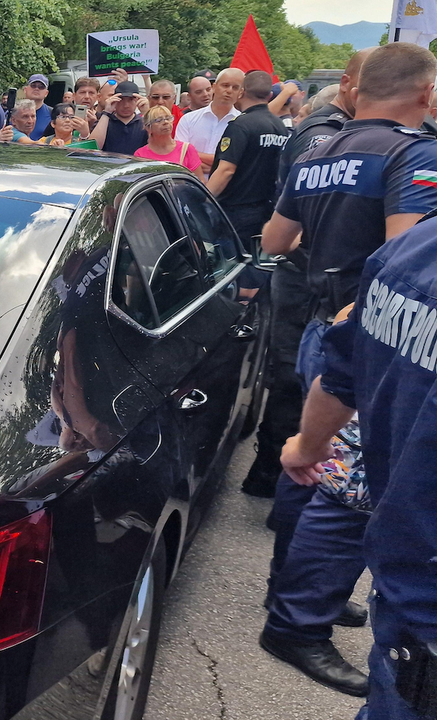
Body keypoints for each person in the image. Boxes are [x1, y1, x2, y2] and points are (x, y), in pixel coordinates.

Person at [259, 42, 437, 694]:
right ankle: (298, 618)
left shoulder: (317, 149)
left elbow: (274, 242)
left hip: (319, 323)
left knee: (310, 469)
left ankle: (296, 591)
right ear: (424, 93)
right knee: (345, 486)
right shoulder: (414, 153)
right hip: (371, 336)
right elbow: (406, 259)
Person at [278, 214, 437, 719]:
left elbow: (278, 238)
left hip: (408, 577)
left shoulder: (416, 242)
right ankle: (297, 621)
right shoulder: (405, 175)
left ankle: (299, 618)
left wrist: (308, 444)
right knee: (340, 496)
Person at [244, 48, 370, 500]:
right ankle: (272, 478)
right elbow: (287, 231)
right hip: (305, 278)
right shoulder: (324, 138)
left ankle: (278, 479)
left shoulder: (335, 135)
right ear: (353, 86)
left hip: (314, 279)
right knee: (294, 380)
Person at [206, 70, 290, 242]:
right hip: (266, 210)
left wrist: (204, 201)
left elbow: (226, 171)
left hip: (235, 214)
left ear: (242, 92)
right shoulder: (279, 126)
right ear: (270, 95)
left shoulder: (240, 125)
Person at [177, 67, 243, 169]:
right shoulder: (188, 120)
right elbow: (179, 156)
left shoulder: (243, 124)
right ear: (214, 87)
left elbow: (240, 163)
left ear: (240, 93)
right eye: (225, 85)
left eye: (235, 87)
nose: (229, 91)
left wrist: (192, 154)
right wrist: (220, 164)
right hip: (190, 183)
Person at [134, 105, 204, 179]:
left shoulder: (186, 149)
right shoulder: (140, 155)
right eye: (158, 120)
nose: (165, 122)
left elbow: (200, 180)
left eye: (168, 118)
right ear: (148, 127)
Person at [92, 80, 147, 154]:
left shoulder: (144, 123)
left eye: (131, 100)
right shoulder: (104, 122)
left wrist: (147, 113)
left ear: (138, 100)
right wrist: (106, 112)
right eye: (121, 100)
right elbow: (94, 147)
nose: (126, 105)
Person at [25, 73, 52, 140]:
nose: (37, 89)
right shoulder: (13, 112)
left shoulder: (53, 114)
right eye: (33, 85)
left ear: (46, 93)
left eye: (41, 87)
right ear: (25, 89)